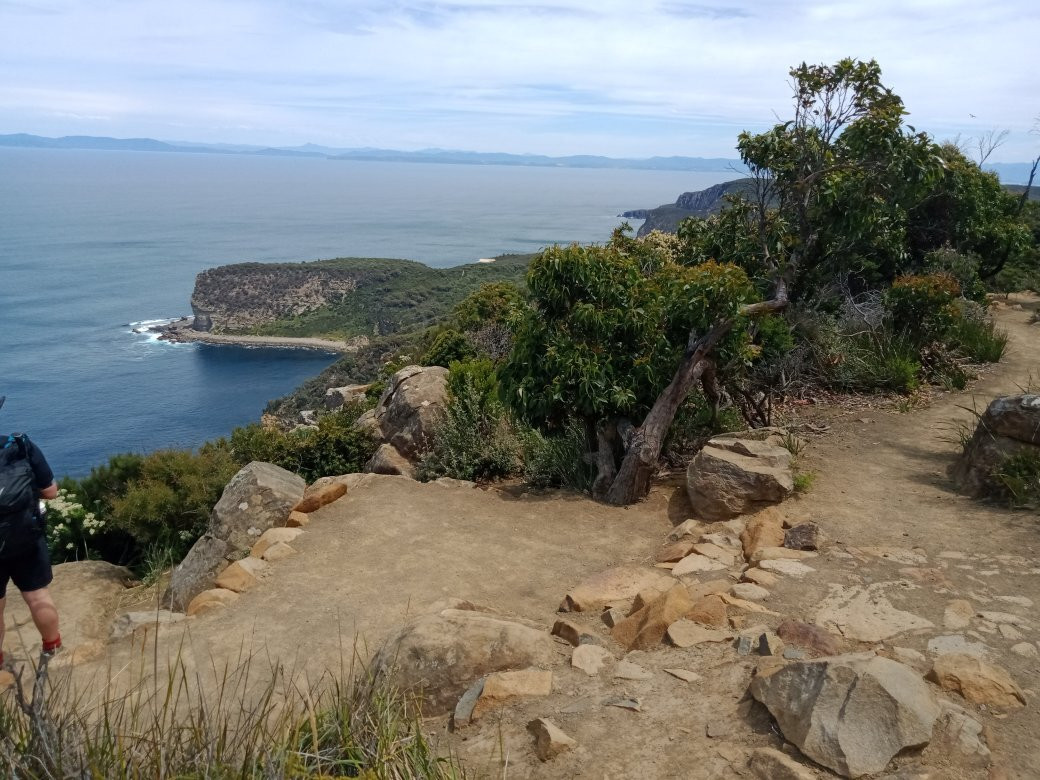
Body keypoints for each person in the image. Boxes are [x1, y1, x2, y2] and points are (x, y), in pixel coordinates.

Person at [0, 428, 61, 668]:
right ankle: (52, 647)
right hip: (25, 538)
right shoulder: (21, 447)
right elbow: (51, 492)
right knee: (38, 597)